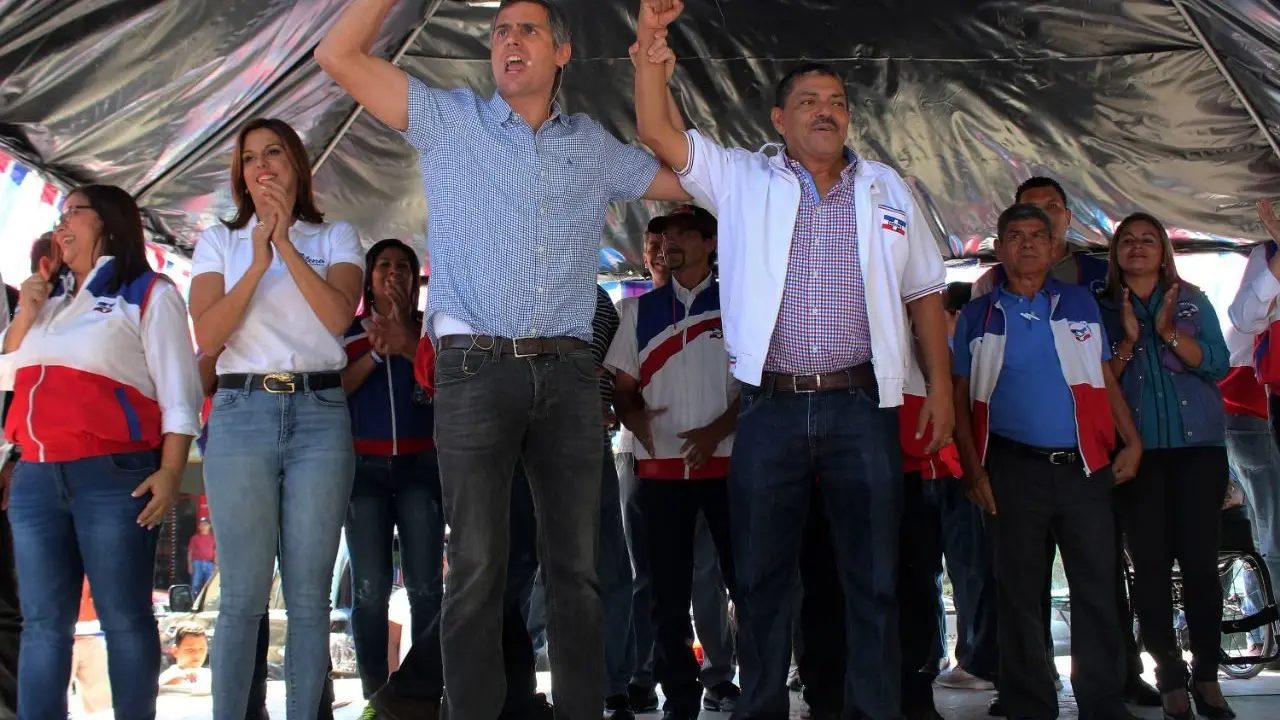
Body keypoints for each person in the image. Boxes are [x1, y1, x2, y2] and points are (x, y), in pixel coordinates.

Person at [317, 0, 690, 716]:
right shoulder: (450, 119)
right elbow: (337, 56)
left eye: (528, 30)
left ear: (562, 53)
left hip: (570, 371)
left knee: (576, 570)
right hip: (475, 370)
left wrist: (649, 57)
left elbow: (682, 175)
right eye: (499, 31)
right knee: (479, 569)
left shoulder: (593, 145)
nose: (509, 40)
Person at [633, 5, 954, 718]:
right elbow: (658, 131)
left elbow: (926, 292)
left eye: (836, 102)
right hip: (771, 409)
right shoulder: (743, 178)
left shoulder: (889, 189)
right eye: (807, 101)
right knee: (763, 579)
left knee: (873, 578)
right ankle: (761, 710)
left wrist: (939, 389)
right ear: (778, 118)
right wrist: (649, 52)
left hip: (862, 405)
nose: (825, 111)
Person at [0, 184, 202, 720]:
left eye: (74, 213)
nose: (61, 223)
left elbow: (181, 393)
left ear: (109, 223)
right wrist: (24, 313)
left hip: (115, 475)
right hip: (38, 477)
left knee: (125, 618)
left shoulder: (148, 291)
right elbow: (6, 377)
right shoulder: (49, 298)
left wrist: (171, 469)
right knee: (43, 624)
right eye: (59, 214)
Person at [188, 117, 364, 720]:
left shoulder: (336, 235)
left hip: (319, 412)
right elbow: (208, 334)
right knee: (240, 596)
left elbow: (339, 318)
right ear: (239, 175)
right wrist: (259, 258)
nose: (261, 166)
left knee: (311, 598)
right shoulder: (218, 242)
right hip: (240, 411)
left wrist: (286, 242)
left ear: (297, 165)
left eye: (274, 154)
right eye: (248, 159)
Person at [952, 203, 1142, 720]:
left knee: (1098, 587)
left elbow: (1102, 377)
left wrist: (1132, 441)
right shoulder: (978, 314)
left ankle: (1103, 702)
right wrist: (973, 470)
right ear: (999, 247)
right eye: (1016, 236)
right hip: (1012, 470)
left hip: (1085, 468)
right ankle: (1028, 702)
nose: (1029, 244)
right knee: (1016, 592)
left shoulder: (1079, 303)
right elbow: (959, 398)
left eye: (1039, 236)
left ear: (1055, 248)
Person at [1096, 212, 1234, 719]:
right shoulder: (1101, 308)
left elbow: (1217, 364)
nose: (1137, 247)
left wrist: (1168, 333)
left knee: (1201, 568)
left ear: (1164, 250)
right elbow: (1095, 382)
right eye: (1127, 241)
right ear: (1115, 253)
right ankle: (1169, 677)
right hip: (1138, 456)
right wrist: (1130, 343)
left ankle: (1207, 677)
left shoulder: (1194, 299)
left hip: (1201, 452)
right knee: (1149, 571)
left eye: (1147, 240)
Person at [606, 205, 739, 720]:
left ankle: (749, 687)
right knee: (666, 596)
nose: (670, 242)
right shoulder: (639, 311)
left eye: (683, 233)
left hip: (727, 470)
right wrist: (632, 414)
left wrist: (715, 432)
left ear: (710, 244)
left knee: (742, 585)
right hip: (658, 476)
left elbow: (755, 389)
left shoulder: (736, 305)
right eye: (664, 236)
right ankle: (679, 702)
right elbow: (621, 387)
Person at [340, 239, 442, 701]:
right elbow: (338, 387)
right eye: (384, 265)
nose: (395, 273)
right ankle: (375, 694)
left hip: (422, 466)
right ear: (369, 276)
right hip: (364, 471)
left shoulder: (432, 331)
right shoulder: (346, 330)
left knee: (425, 586)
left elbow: (446, 385)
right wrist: (378, 353)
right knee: (369, 588)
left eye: (404, 266)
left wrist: (405, 344)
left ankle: (423, 692)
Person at [160, 622, 212, 690]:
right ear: (175, 651)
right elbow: (155, 691)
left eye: (201, 649)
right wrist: (181, 678)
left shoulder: (210, 675)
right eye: (190, 650)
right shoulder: (168, 675)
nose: (197, 654)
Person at [188, 517, 217, 596]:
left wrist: (215, 564)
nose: (204, 526)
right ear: (199, 527)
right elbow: (190, 552)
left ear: (209, 526)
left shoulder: (213, 538)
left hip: (210, 563)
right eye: (202, 525)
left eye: (206, 525)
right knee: (196, 584)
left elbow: (215, 552)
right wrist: (190, 565)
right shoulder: (195, 538)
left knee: (209, 585)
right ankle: (195, 603)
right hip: (197, 563)